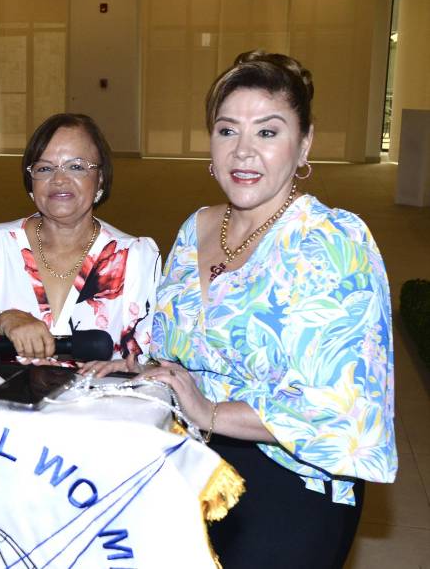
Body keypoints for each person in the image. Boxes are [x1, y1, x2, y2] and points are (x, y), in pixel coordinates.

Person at [85, 51, 397, 568]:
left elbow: (341, 410)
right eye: (228, 131)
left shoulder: (332, 241)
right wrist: (145, 374)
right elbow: (184, 353)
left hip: (292, 478)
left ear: (304, 145)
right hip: (194, 459)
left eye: (268, 133)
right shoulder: (195, 229)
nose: (244, 153)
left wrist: (210, 412)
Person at [0, 113, 160, 361]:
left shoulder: (135, 257)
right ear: (31, 182)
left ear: (100, 177)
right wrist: (1, 322)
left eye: (76, 166)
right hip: (4, 398)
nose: (59, 179)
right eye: (45, 168)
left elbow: (146, 359)